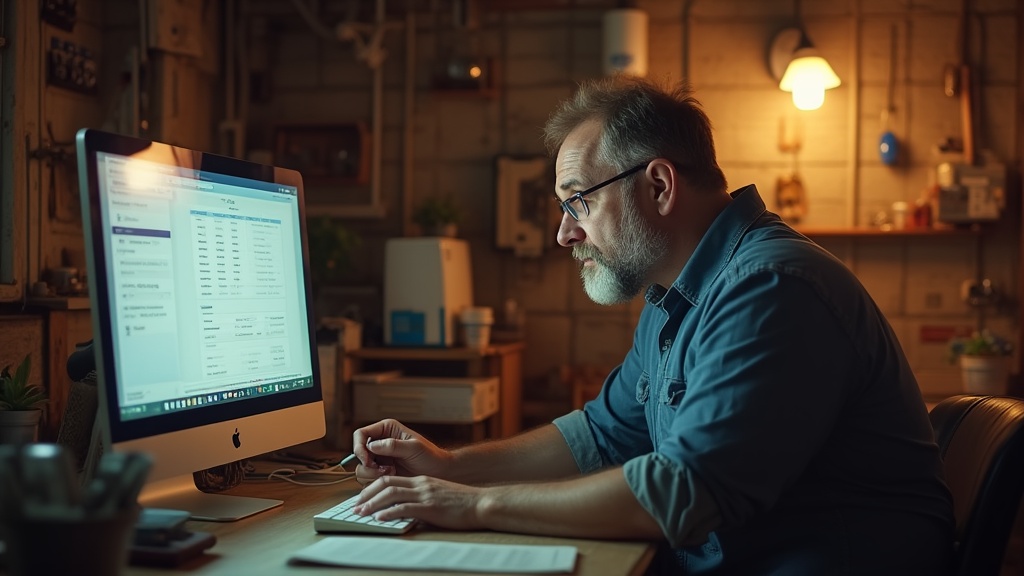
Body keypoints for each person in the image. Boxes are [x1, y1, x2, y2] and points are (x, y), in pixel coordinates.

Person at [349, 76, 954, 574]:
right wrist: (451, 468)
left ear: (660, 185)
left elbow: (682, 492)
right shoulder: (676, 296)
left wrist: (471, 506)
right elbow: (602, 435)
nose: (565, 233)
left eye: (577, 200)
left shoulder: (770, 287)